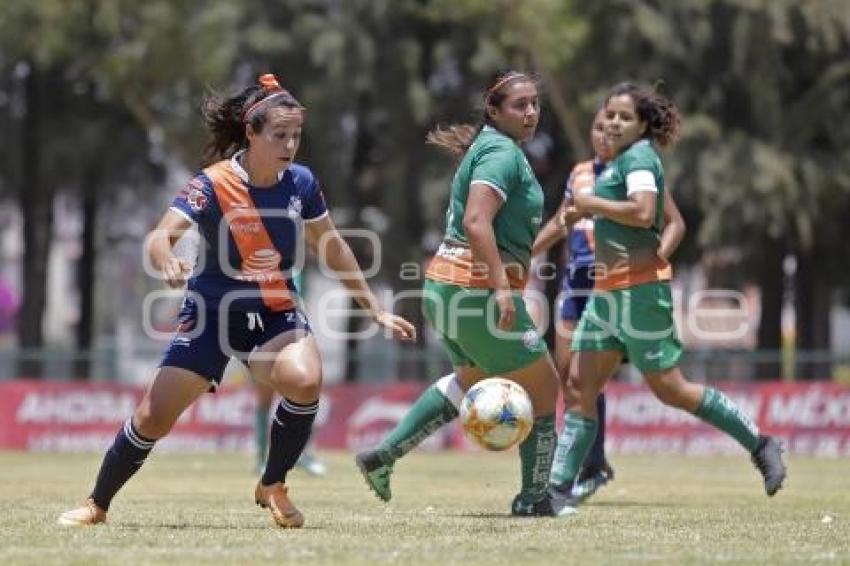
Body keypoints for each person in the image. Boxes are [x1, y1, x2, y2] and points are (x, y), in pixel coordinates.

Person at [58, 73, 415, 528]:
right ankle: (97, 504)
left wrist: (375, 308)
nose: (290, 145)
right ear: (251, 132)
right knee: (153, 417)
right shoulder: (212, 183)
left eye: (296, 136)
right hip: (212, 316)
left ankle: (273, 484)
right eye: (279, 135)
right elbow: (159, 236)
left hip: (274, 315)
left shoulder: (301, 183)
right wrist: (166, 260)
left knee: (306, 381)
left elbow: (334, 247)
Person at [547, 82, 786, 514]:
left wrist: (590, 205)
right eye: (610, 114)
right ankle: (559, 490)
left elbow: (643, 211)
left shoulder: (639, 157)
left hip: (639, 294)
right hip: (607, 292)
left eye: (625, 116)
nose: (615, 122)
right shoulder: (622, 161)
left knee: (671, 390)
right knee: (580, 385)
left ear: (642, 125)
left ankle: (761, 443)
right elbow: (653, 216)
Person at [356, 70, 565, 517]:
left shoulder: (493, 148)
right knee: (545, 389)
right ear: (493, 110)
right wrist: (501, 291)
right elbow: (476, 222)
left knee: (469, 382)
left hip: (448, 290)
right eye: (519, 105)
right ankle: (534, 500)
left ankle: (383, 455)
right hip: (476, 293)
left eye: (534, 104)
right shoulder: (500, 152)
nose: (530, 112)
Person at [531, 107, 686, 503]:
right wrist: (528, 252)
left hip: (617, 285)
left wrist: (655, 261)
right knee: (570, 377)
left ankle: (589, 465)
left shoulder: (636, 170)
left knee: (623, 378)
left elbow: (674, 223)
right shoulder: (579, 173)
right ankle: (589, 465)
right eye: (597, 126)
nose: (604, 133)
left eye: (610, 127)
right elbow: (562, 221)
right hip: (575, 283)